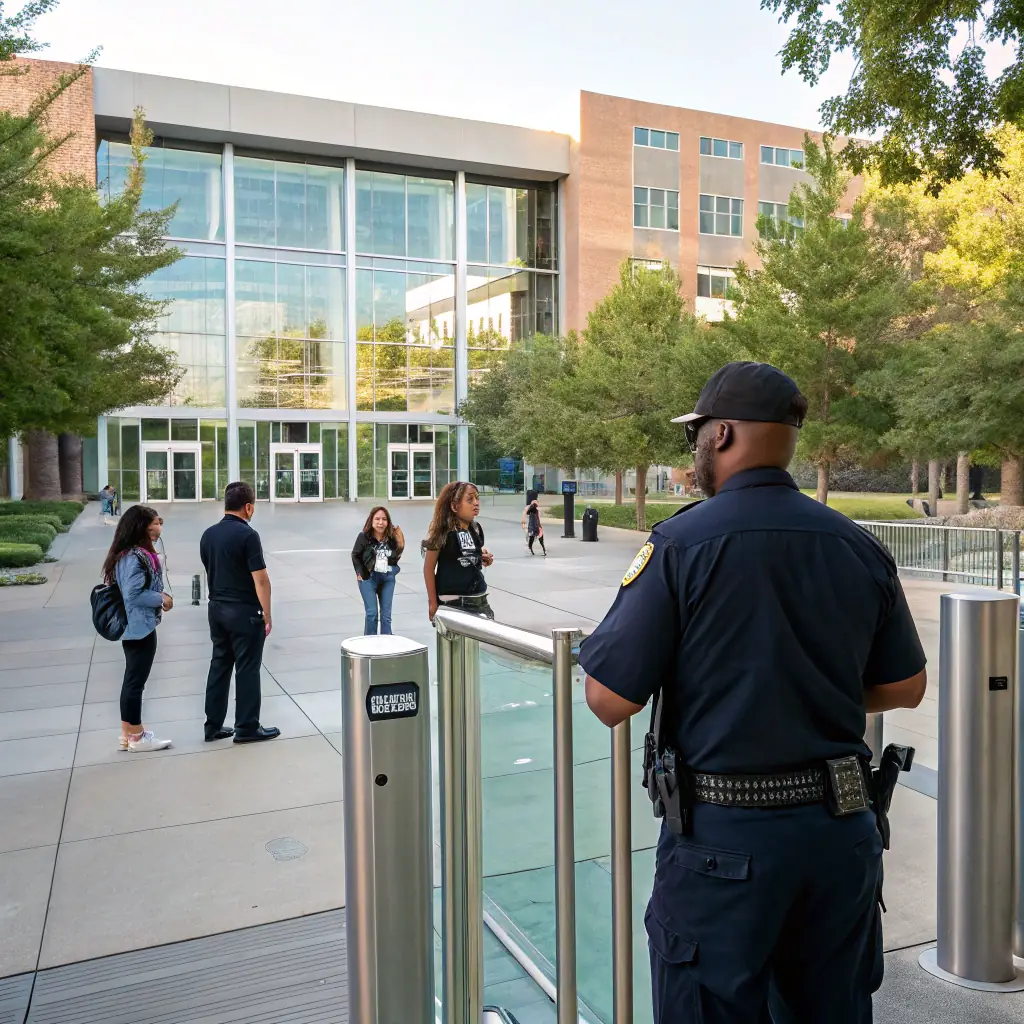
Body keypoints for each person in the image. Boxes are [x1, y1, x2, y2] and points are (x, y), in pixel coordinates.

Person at [580, 361, 928, 1024]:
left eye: (697, 437)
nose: (694, 453)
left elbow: (608, 699)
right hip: (838, 839)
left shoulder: (681, 544)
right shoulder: (856, 545)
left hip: (722, 850)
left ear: (724, 435)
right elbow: (905, 686)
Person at [199, 481, 279, 744]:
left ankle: (212, 726)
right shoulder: (248, 535)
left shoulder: (208, 535)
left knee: (219, 665)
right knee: (247, 668)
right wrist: (267, 614)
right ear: (248, 507)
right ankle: (246, 726)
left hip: (217, 609)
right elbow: (261, 579)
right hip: (244, 611)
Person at [100, 504, 173, 753]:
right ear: (143, 526)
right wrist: (161, 598)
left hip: (135, 625)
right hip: (138, 626)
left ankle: (126, 733)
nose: (159, 526)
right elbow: (133, 595)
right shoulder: (133, 556)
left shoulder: (132, 553)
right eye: (156, 521)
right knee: (135, 682)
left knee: (132, 679)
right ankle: (138, 736)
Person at [423, 480, 494, 621]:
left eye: (477, 498)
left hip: (479, 599)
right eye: (470, 499)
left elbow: (471, 556)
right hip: (453, 601)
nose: (476, 503)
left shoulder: (476, 529)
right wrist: (432, 602)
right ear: (455, 506)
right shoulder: (441, 533)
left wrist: (482, 557)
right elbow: (428, 568)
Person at [352, 506, 405, 635]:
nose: (380, 522)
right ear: (371, 520)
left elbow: (395, 555)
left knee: (386, 616)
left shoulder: (392, 538)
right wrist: (360, 573)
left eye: (384, 519)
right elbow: (355, 555)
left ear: (388, 522)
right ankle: (370, 646)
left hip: (387, 578)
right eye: (377, 519)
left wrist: (393, 569)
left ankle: (386, 648)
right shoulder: (364, 537)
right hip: (369, 577)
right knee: (372, 614)